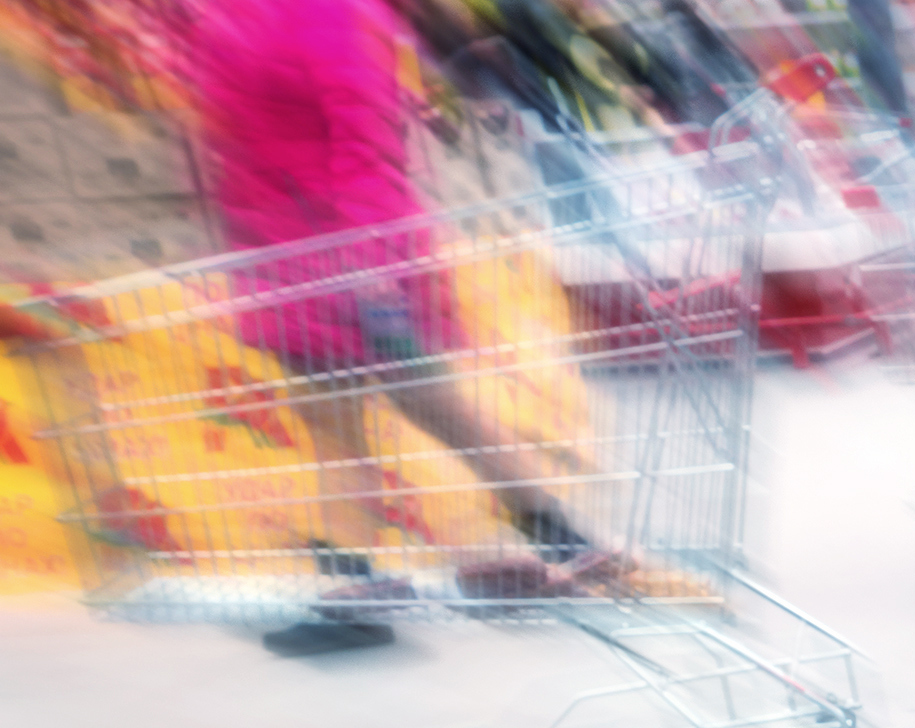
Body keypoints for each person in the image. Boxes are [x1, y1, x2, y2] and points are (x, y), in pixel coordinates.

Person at [190, 0, 618, 657]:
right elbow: (231, 139)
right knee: (372, 418)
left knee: (384, 418)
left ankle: (365, 592)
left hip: (348, 259)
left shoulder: (325, 16)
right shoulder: (236, 15)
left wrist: (369, 264)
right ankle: (561, 539)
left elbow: (366, 141)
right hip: (290, 257)